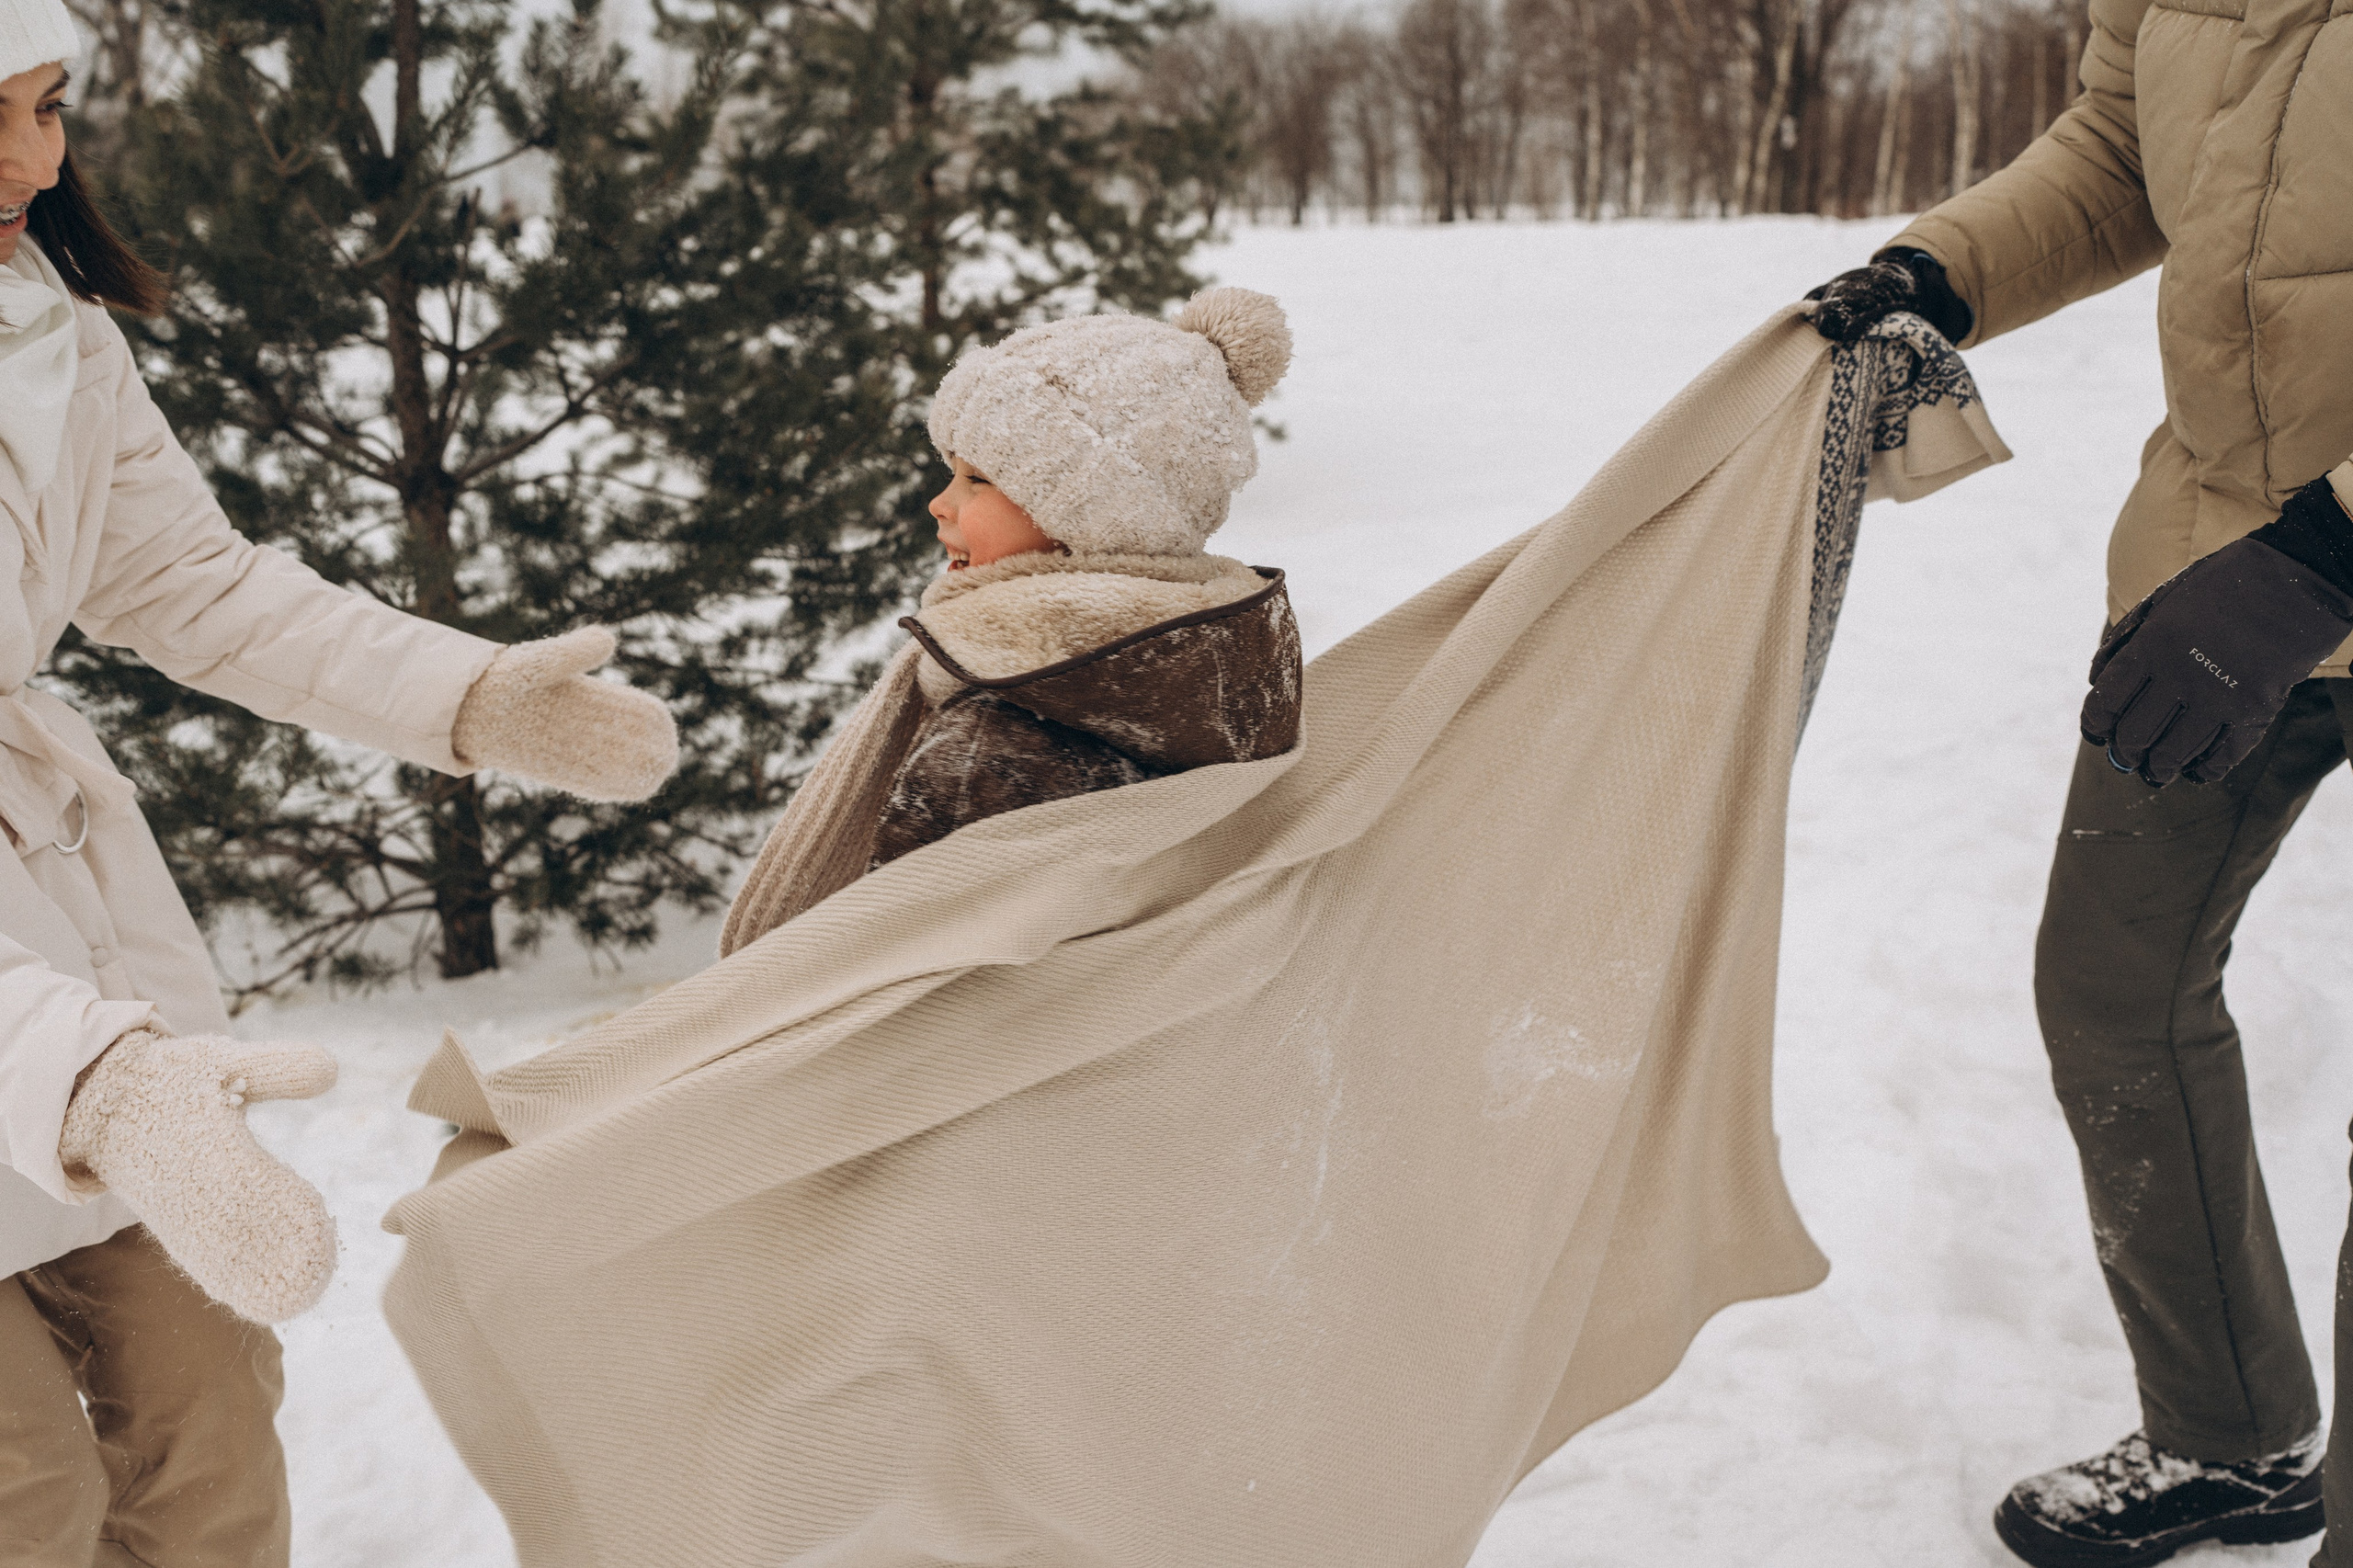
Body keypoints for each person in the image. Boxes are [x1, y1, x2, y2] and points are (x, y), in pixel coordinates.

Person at [0, 2, 680, 1560]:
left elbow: (197, 585)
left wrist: (466, 694)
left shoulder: (48, 329)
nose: (37, 158)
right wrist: (94, 1077)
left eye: (48, 106)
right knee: (26, 1497)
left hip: (67, 947)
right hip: (53, 1032)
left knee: (212, 1445)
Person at [1804, 3, 2353, 1564]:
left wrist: (2327, 555)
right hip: (2211, 572)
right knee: (2116, 986)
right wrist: (1939, 272)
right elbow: (2125, 149)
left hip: (2296, 566)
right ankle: (2232, 1436)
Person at [717, 285, 1302, 951]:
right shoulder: (1226, 673)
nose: (940, 504)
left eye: (978, 481)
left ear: (1090, 520)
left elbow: (889, 999)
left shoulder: (986, 760)